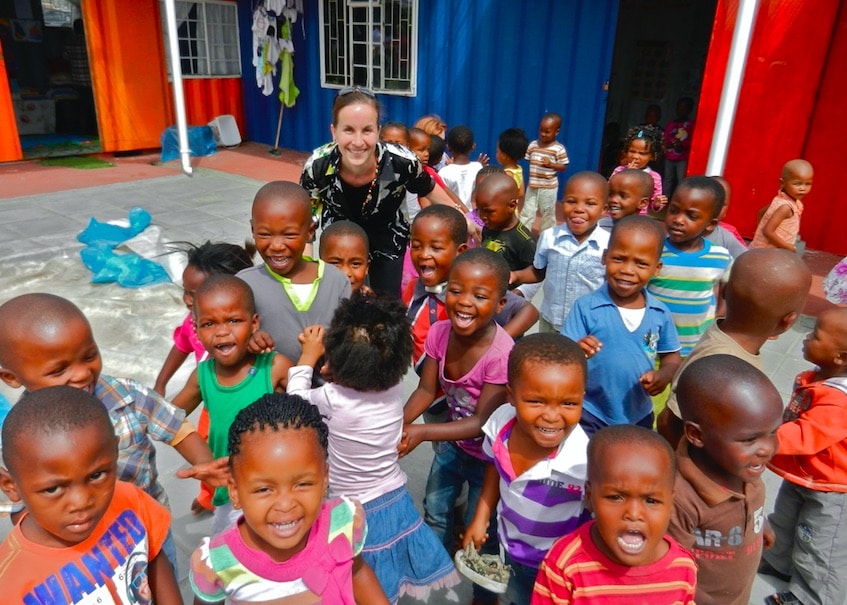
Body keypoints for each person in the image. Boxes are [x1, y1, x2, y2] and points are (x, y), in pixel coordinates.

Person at [0, 293, 224, 571]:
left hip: (147, 522)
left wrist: (207, 464)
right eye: (58, 370)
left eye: (89, 356)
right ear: (11, 377)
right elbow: (22, 504)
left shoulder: (126, 395)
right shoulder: (21, 436)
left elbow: (176, 428)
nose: (82, 374)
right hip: (85, 547)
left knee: (162, 576)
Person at [288, 294, 459, 602]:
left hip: (353, 508)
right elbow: (362, 377)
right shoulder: (393, 387)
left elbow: (295, 398)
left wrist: (309, 356)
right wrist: (337, 371)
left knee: (357, 576)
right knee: (385, 577)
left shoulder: (333, 399)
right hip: (394, 499)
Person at [189, 393, 390, 604]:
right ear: (235, 492)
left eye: (302, 484)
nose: (286, 505)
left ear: (324, 479)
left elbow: (357, 573)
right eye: (264, 489)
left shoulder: (342, 523)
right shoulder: (219, 563)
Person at [400, 248, 515, 605]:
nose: (464, 302)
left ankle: (484, 594)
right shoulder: (438, 332)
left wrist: (421, 432)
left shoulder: (500, 353)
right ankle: (434, 575)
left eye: (480, 296)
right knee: (435, 510)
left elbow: (481, 423)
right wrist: (397, 424)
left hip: (487, 459)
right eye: (456, 290)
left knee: (482, 532)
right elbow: (425, 389)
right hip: (452, 446)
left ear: (499, 304)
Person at [0, 386, 180, 603]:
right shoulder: (11, 582)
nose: (82, 502)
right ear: (11, 486)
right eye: (53, 489)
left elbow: (152, 556)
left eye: (96, 475)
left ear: (114, 452)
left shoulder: (130, 500)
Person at [463, 334, 591, 604]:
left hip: (549, 564)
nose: (552, 415)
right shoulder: (500, 425)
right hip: (503, 539)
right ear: (511, 396)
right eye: (536, 401)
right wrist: (481, 516)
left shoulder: (583, 461)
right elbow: (494, 468)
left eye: (568, 403)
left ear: (582, 398)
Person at [301, 89, 458, 296]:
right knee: (339, 301)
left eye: (367, 130)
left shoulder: (400, 161)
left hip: (388, 239)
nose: (358, 142)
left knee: (386, 303)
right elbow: (305, 225)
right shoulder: (318, 167)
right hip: (340, 243)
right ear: (334, 131)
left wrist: (464, 219)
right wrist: (305, 279)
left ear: (378, 130)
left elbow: (428, 188)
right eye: (348, 130)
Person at [171, 275, 292, 534]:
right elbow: (165, 416)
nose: (222, 331)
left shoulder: (274, 368)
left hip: (279, 489)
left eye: (234, 321)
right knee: (231, 560)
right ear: (196, 329)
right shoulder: (203, 376)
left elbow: (314, 414)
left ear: (254, 323)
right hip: (230, 493)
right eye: (208, 324)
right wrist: (199, 458)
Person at [657, 248, 811, 447]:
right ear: (788, 321)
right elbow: (668, 422)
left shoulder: (725, 335)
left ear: (724, 292)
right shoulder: (725, 365)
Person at [532, 425, 696, 604]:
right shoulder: (565, 563)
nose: (633, 514)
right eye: (616, 497)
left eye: (651, 501)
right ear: (589, 498)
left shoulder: (683, 567)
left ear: (671, 504)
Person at [669, 355, 783, 605]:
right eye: (749, 439)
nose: (767, 449)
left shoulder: (746, 467)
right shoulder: (680, 498)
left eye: (773, 432)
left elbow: (749, 502)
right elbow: (672, 568)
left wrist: (758, 523)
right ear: (696, 435)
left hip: (738, 591)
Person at [153, 239, 256, 516]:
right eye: (186, 292)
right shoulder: (193, 322)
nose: (188, 300)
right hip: (211, 401)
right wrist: (161, 383)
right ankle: (212, 494)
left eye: (195, 293)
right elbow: (182, 345)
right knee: (209, 453)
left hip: (243, 405)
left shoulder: (250, 335)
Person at [760, 308, 847, 605]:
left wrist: (763, 439)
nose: (806, 337)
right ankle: (778, 561)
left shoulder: (839, 400)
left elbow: (806, 434)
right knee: (784, 519)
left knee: (820, 541)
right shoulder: (821, 379)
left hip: (832, 489)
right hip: (806, 473)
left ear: (840, 358)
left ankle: (812, 596)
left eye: (815, 336)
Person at [563, 216, 681, 434]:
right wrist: (577, 349)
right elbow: (563, 354)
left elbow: (671, 356)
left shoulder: (659, 313)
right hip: (589, 411)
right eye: (619, 258)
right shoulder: (586, 307)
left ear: (657, 268)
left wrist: (665, 375)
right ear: (605, 257)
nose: (627, 269)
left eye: (641, 263)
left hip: (638, 413)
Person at [404, 205, 538, 369]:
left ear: (460, 251)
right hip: (431, 384)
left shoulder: (473, 289)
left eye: (436, 248)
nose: (424, 254)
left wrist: (495, 344)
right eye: (416, 246)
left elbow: (529, 312)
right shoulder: (413, 288)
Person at [237, 181, 351, 365]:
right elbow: (231, 335)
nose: (276, 246)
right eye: (265, 235)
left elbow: (349, 336)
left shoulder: (336, 281)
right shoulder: (244, 284)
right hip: (271, 391)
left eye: (289, 235)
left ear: (309, 232)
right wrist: (248, 340)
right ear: (253, 230)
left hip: (325, 390)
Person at [511, 171, 610, 333]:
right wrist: (516, 276)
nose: (579, 209)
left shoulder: (609, 244)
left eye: (590, 203)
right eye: (571, 201)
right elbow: (538, 272)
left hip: (588, 327)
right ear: (562, 203)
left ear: (604, 209)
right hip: (550, 322)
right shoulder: (550, 237)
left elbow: (610, 284)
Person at [647, 175, 732, 357]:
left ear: (710, 225)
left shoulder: (720, 257)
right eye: (674, 210)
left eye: (691, 216)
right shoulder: (653, 250)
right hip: (651, 345)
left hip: (693, 348)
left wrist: (718, 319)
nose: (678, 220)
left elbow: (724, 293)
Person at [477, 172, 537, 279]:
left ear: (511, 206)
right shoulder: (488, 227)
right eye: (479, 210)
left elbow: (536, 273)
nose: (482, 216)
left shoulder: (524, 239)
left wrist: (518, 284)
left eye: (488, 211)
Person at [752, 159, 814, 253]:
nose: (803, 189)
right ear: (782, 183)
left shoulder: (780, 200)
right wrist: (787, 246)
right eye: (797, 184)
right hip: (768, 252)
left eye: (807, 184)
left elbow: (761, 213)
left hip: (768, 249)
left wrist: (758, 237)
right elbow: (767, 231)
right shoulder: (785, 207)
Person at [521, 112, 569, 233]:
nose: (543, 134)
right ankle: (522, 233)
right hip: (532, 186)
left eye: (547, 132)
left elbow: (563, 167)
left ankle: (547, 235)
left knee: (547, 212)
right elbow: (528, 160)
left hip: (549, 187)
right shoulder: (533, 145)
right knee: (528, 210)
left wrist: (551, 165)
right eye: (541, 130)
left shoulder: (558, 149)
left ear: (556, 132)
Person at [611, 125, 667, 214]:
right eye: (632, 151)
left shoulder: (654, 177)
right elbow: (610, 191)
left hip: (637, 220)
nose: (635, 156)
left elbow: (653, 204)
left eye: (642, 153)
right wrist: (629, 173)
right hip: (614, 215)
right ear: (626, 151)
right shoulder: (619, 170)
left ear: (652, 156)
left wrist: (657, 204)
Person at [438, 125, 484, 210]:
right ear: (473, 146)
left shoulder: (444, 172)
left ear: (448, 147)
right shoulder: (478, 167)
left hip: (453, 217)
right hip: (475, 218)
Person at [318, 219, 371, 293]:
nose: (345, 273)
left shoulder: (373, 303)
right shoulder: (313, 301)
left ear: (367, 267)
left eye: (355, 264)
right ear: (320, 265)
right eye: (335, 263)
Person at [598, 167, 654, 232]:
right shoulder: (599, 226)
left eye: (622, 196)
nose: (613, 200)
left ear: (642, 203)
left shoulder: (646, 234)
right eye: (610, 194)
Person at [705, 175, 747, 259]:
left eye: (722, 204)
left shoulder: (728, 235)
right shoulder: (679, 228)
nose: (716, 208)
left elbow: (744, 259)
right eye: (709, 202)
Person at [663, 97, 695, 199]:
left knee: (681, 179)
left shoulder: (691, 125)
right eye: (679, 108)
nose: (681, 110)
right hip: (669, 156)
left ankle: (680, 198)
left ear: (689, 110)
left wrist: (683, 147)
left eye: (684, 108)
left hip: (682, 158)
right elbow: (665, 138)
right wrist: (668, 145)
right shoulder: (671, 124)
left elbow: (692, 141)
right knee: (668, 178)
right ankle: (665, 198)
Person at [496, 127, 529, 208]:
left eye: (497, 151)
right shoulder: (518, 169)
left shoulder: (507, 174)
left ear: (504, 155)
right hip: (513, 210)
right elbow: (521, 193)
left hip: (504, 211)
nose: (496, 154)